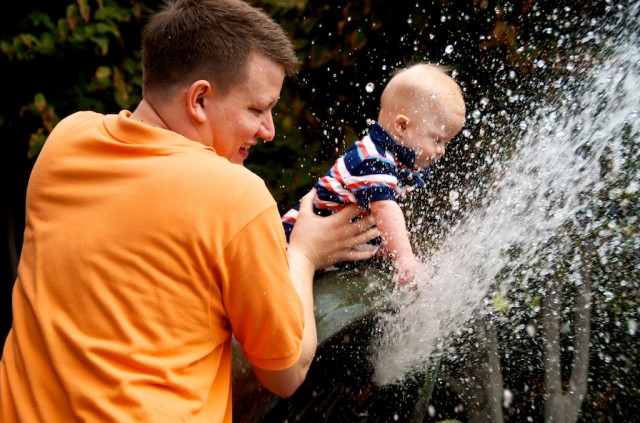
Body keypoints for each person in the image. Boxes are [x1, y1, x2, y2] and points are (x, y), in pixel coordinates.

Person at [0, 0, 379, 422]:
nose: (269, 130)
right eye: (257, 109)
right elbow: (285, 373)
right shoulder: (236, 197)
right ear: (199, 99)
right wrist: (304, 255)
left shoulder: (65, 142)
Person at [282, 63, 466, 286]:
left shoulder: (394, 162)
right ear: (402, 126)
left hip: (319, 254)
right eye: (437, 139)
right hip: (288, 248)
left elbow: (379, 217)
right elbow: (384, 209)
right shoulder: (372, 160)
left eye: (446, 142)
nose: (442, 151)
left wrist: (383, 244)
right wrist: (405, 259)